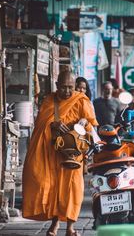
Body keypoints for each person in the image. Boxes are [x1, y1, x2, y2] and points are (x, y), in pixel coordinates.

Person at [22, 71, 98, 236]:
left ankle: (70, 227)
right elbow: (40, 125)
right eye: (63, 87)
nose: (67, 91)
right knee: (54, 188)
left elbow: (91, 125)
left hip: (73, 153)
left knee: (72, 189)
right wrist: (53, 124)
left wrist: (84, 122)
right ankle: (54, 225)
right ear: (57, 86)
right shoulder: (49, 100)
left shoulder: (81, 100)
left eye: (70, 87)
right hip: (53, 153)